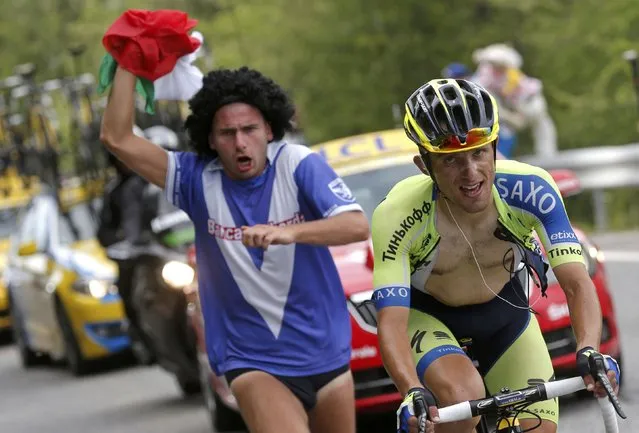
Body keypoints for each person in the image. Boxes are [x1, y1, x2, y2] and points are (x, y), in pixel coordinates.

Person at [100, 65, 369, 433]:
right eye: (227, 133)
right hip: (253, 359)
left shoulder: (298, 164)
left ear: (269, 130)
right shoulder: (194, 179)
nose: (240, 142)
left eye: (249, 129)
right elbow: (117, 138)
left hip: (325, 351)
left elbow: (356, 225)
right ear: (210, 139)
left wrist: (290, 233)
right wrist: (128, 66)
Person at [370, 78, 620, 433]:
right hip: (428, 316)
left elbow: (577, 283)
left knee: (538, 428)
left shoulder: (531, 189)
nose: (471, 173)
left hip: (504, 313)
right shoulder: (397, 215)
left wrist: (590, 350)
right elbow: (391, 321)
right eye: (452, 161)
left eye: (479, 153)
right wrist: (411, 391)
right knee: (461, 399)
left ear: (495, 147)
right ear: (424, 165)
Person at [472, 43, 558, 158]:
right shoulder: (485, 76)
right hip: (510, 110)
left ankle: (548, 155)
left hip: (527, 103)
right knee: (504, 131)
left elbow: (523, 88)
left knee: (543, 127)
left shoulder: (512, 71)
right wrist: (510, 117)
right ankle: (500, 158)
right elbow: (491, 102)